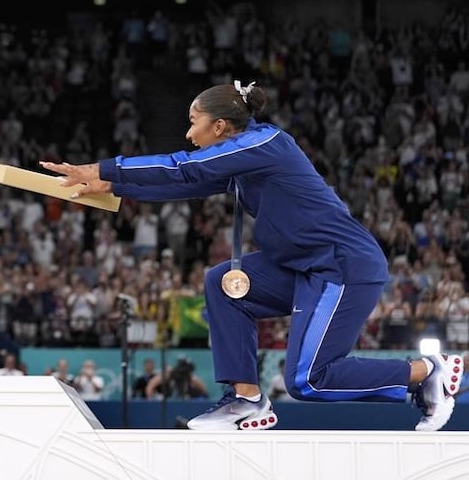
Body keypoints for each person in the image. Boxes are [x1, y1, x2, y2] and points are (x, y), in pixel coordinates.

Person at [40, 81, 462, 432]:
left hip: (342, 266)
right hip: (303, 267)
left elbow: (186, 167)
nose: (189, 134)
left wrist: (103, 170)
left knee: (306, 380)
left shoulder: (266, 143)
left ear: (220, 126)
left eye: (193, 123)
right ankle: (246, 400)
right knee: (221, 284)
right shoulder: (243, 157)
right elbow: (189, 184)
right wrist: (114, 188)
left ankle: (426, 374)